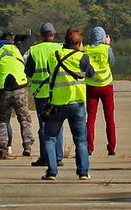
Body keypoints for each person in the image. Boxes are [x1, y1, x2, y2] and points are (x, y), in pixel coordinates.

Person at [40, 27, 91, 180]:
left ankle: (52, 171)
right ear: (79, 43)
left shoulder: (54, 55)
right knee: (81, 140)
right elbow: (90, 73)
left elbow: (50, 71)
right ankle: (83, 172)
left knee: (50, 139)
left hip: (56, 104)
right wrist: (81, 52)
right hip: (77, 104)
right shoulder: (82, 57)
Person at [0, 31, 35, 160]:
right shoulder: (18, 49)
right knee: (24, 118)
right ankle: (27, 146)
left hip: (3, 90)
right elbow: (32, 37)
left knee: (1, 121)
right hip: (20, 89)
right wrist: (18, 37)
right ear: (12, 41)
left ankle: (2, 149)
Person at [26, 22, 62, 167]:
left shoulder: (34, 50)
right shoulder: (60, 48)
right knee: (57, 124)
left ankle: (45, 156)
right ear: (54, 34)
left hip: (40, 92)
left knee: (44, 125)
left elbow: (28, 71)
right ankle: (58, 156)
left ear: (41, 35)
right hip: (57, 92)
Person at [84, 26, 117, 156]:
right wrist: (108, 45)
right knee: (109, 118)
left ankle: (89, 146)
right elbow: (112, 63)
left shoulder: (86, 49)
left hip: (91, 85)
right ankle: (111, 146)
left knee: (91, 117)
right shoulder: (106, 49)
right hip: (106, 85)